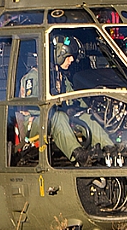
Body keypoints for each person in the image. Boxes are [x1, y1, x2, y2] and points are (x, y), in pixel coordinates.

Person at [47, 35, 113, 166]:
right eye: (68, 56)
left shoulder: (61, 78)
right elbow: (32, 107)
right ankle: (78, 154)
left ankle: (109, 148)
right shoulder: (35, 76)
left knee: (87, 117)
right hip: (39, 121)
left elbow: (74, 97)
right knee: (58, 117)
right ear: (59, 55)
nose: (72, 60)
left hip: (63, 118)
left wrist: (87, 108)